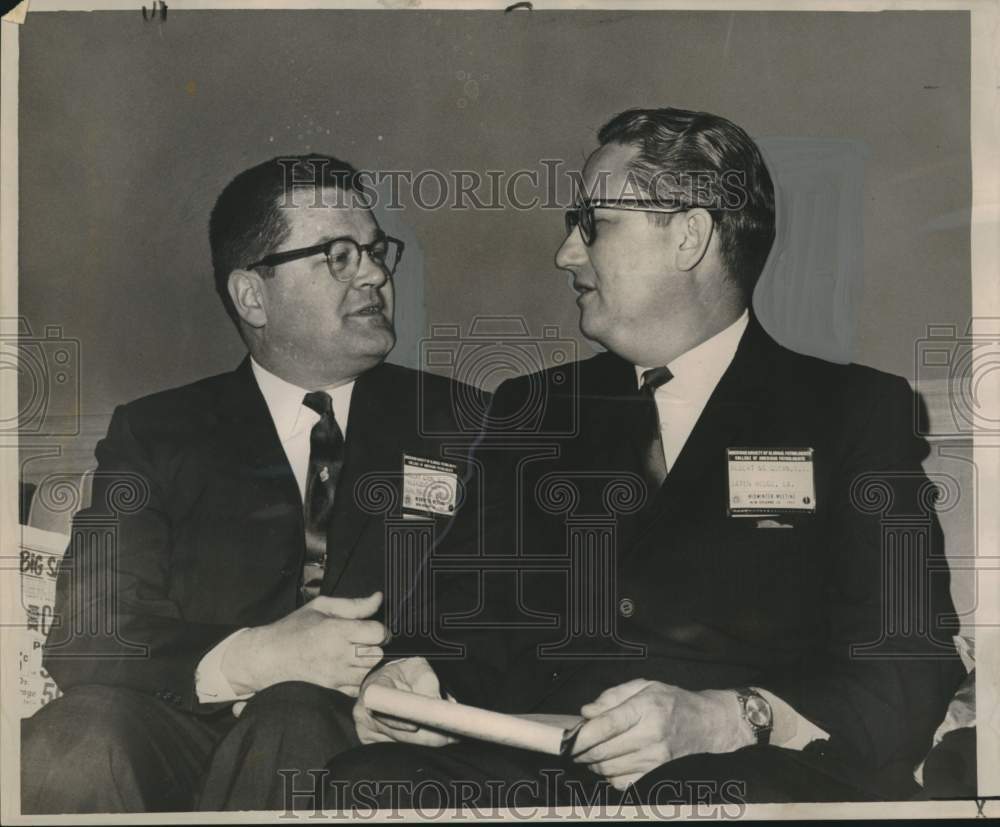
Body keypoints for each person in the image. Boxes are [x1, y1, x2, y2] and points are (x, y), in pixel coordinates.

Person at [328, 108, 964, 807]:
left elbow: (909, 661)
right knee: (365, 784)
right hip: (530, 778)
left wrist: (733, 717)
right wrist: (412, 672)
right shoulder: (531, 410)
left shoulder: (851, 411)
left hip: (743, 782)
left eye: (593, 223)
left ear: (689, 236)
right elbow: (449, 625)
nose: (566, 253)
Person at [21, 154, 482, 813]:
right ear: (252, 296)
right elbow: (91, 631)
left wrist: (428, 686)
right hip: (182, 727)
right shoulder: (158, 433)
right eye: (340, 255)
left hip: (359, 740)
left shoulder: (465, 426)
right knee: (73, 737)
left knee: (291, 716)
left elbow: (508, 615)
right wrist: (257, 656)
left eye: (378, 251)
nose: (376, 274)